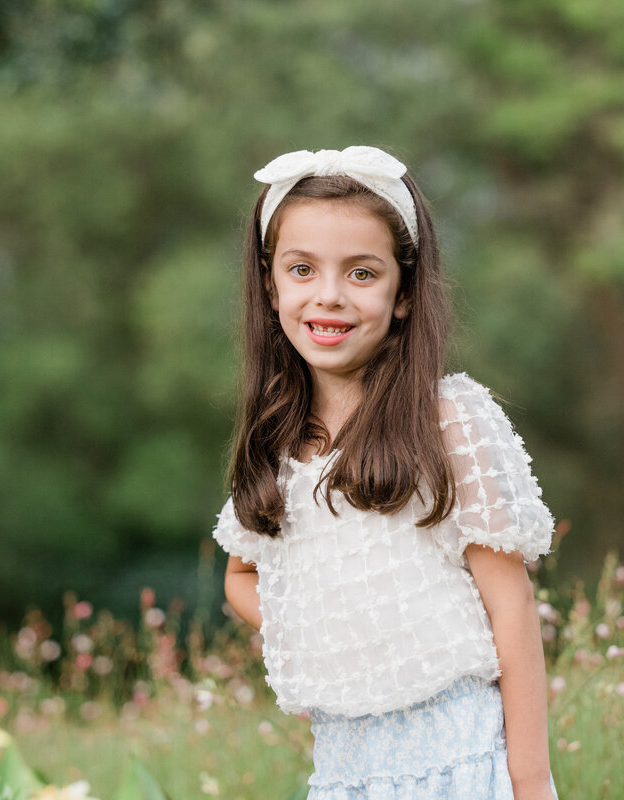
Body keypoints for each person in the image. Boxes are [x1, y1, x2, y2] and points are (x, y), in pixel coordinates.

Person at [212, 145, 560, 799]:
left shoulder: (446, 419)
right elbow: (240, 576)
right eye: (303, 269)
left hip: (463, 759)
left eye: (362, 274)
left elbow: (510, 606)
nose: (330, 296)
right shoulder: (278, 445)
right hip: (346, 772)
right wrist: (329, 628)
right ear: (270, 283)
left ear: (404, 293)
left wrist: (530, 780)